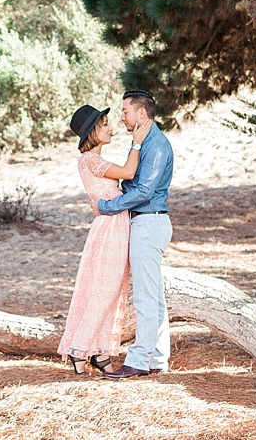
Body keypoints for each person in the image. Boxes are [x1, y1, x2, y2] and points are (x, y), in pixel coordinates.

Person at [59, 103, 151, 375]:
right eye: (105, 124)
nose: (111, 128)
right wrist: (136, 144)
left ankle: (99, 352)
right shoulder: (91, 159)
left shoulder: (92, 160)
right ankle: (79, 350)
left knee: (110, 290)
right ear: (93, 132)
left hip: (113, 225)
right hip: (110, 228)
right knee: (104, 291)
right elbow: (128, 173)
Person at [95, 89, 174, 380]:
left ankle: (139, 361)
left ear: (142, 113)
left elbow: (143, 192)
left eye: (125, 111)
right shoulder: (143, 142)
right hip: (146, 223)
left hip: (149, 224)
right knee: (154, 297)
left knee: (144, 297)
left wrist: (107, 206)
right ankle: (158, 359)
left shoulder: (156, 145)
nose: (122, 117)